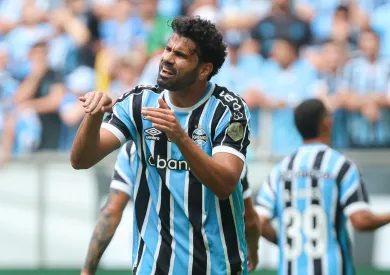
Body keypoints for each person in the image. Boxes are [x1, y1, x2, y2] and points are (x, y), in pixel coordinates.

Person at [71, 16, 253, 274]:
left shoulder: (229, 109)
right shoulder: (139, 102)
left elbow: (224, 185)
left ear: (204, 69)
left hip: (217, 265)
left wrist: (180, 137)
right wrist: (93, 116)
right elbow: (81, 160)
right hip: (153, 265)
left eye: (180, 55)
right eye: (168, 49)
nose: (167, 58)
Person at [81, 141, 261, 275]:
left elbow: (111, 212)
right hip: (214, 267)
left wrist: (88, 270)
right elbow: (250, 219)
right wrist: (253, 249)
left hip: (154, 267)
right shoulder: (226, 153)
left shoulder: (132, 148)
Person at [256, 98, 390, 275]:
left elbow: (258, 221)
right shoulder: (342, 166)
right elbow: (361, 221)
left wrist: (283, 241)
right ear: (326, 122)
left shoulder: (280, 171)